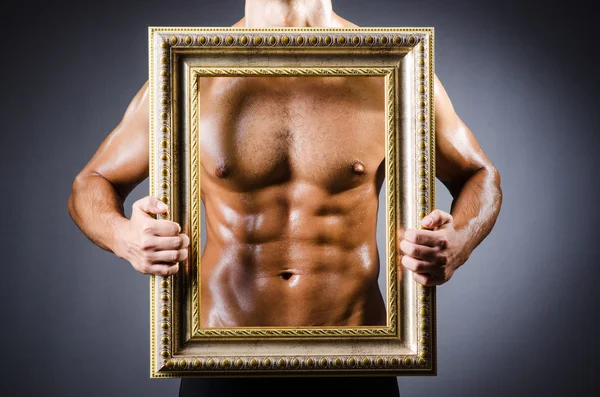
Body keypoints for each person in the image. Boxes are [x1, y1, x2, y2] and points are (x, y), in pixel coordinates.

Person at [67, 0, 503, 395]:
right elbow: (92, 181)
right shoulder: (190, 72)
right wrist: (126, 237)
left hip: (356, 354)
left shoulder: (391, 69)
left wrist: (459, 240)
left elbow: (479, 173)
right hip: (221, 355)